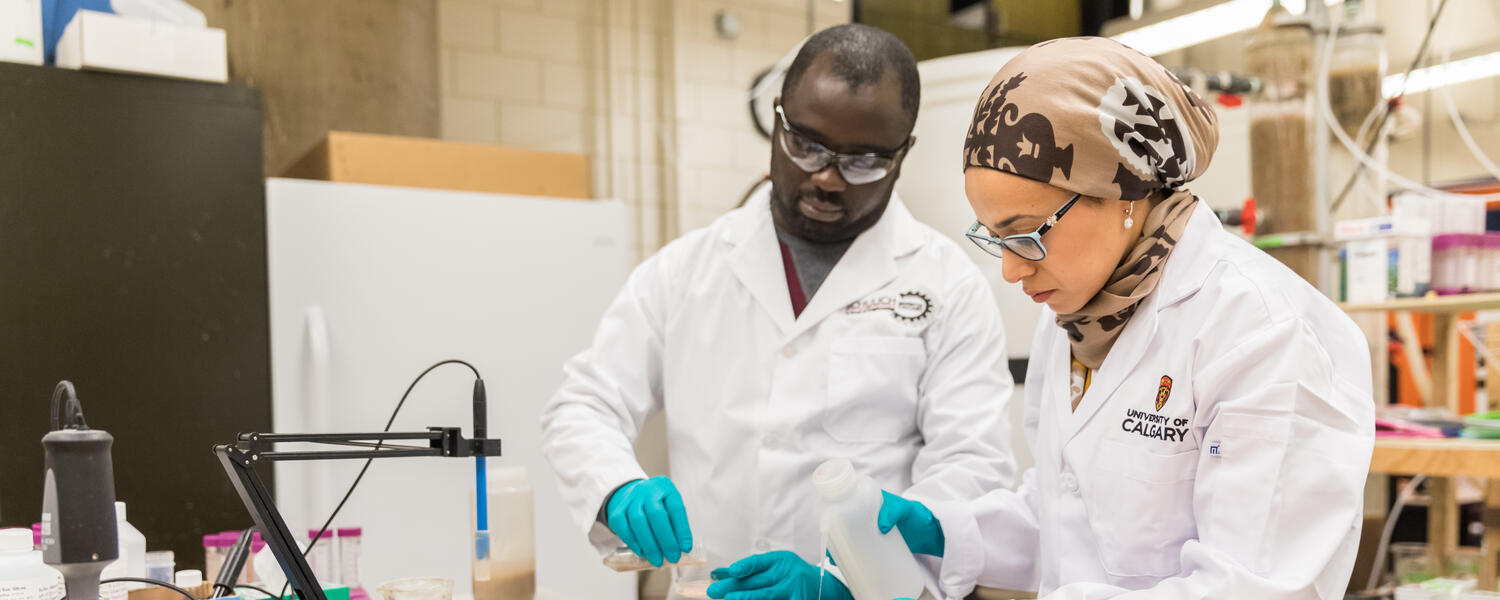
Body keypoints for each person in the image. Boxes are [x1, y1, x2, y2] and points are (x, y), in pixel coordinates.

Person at [877, 37, 1375, 599]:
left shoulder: (1258, 332)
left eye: (1028, 233)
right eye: (995, 239)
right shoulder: (1077, 316)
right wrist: (945, 532)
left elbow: (1255, 588)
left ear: (1122, 192)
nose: (1013, 270)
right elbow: (1067, 517)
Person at [539, 24, 1017, 600]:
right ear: (778, 119)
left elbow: (970, 473)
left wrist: (843, 585)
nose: (826, 178)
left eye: (862, 161)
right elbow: (584, 402)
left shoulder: (947, 286)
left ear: (903, 153)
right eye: (808, 146)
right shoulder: (688, 269)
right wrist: (615, 487)